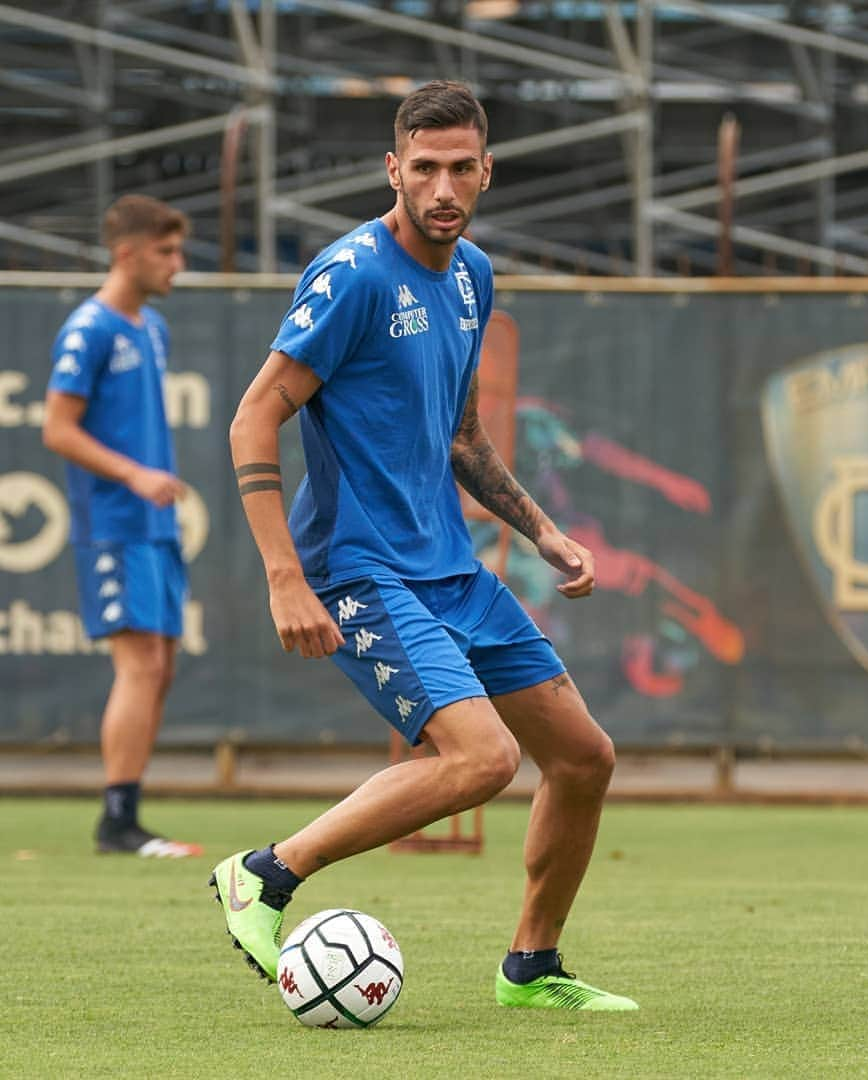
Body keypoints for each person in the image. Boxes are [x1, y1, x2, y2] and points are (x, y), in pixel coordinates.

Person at [211, 81, 637, 1011]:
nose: (444, 187)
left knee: (583, 758)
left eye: (461, 168)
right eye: (425, 168)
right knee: (483, 759)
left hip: (450, 568)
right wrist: (286, 578)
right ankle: (264, 874)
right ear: (393, 170)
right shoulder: (353, 275)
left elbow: (462, 437)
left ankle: (531, 967)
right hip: (361, 572)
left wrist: (544, 532)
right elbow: (254, 416)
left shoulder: (474, 274)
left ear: (487, 171)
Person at [42, 194, 202, 859]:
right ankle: (117, 822)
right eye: (166, 251)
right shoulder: (89, 329)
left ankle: (127, 814)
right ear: (126, 253)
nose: (177, 264)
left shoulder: (151, 328)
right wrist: (133, 474)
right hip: (114, 522)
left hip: (155, 525)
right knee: (139, 663)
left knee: (158, 665)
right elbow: (56, 428)